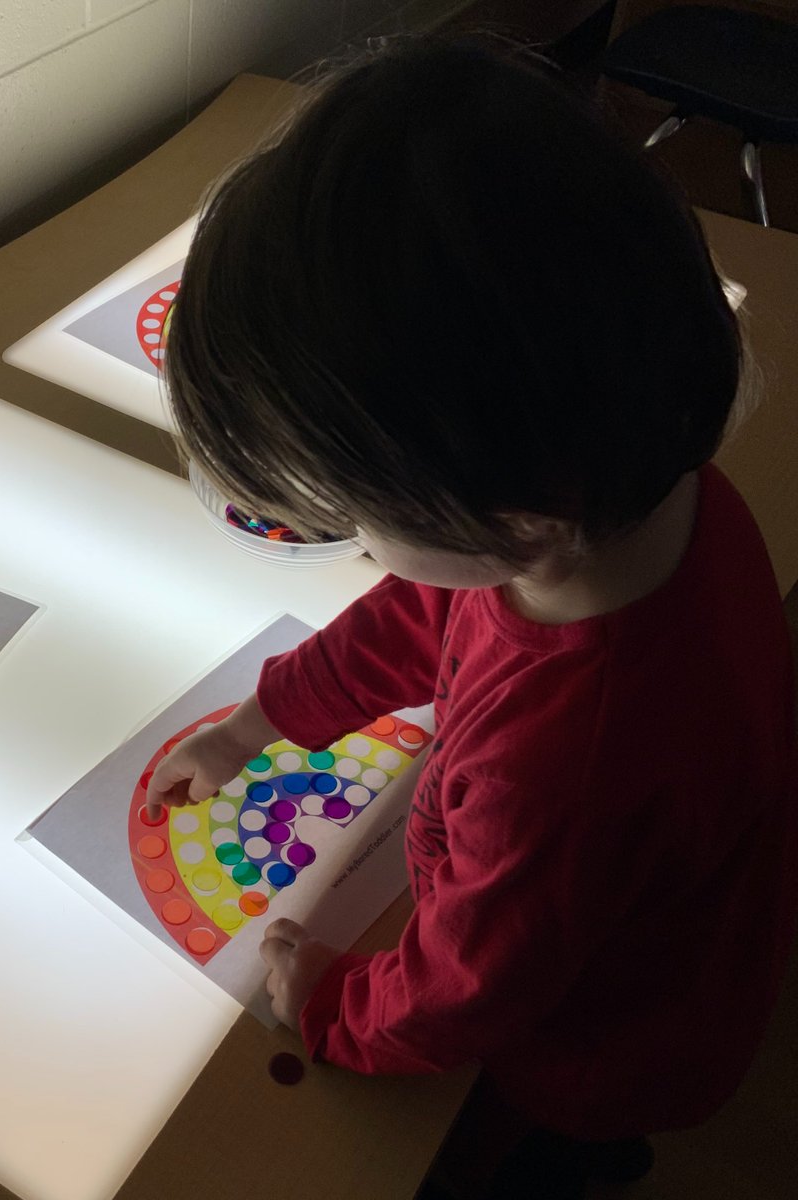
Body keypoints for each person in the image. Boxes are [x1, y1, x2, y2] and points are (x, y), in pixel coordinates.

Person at [144, 33, 798, 1200]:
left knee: (515, 1163)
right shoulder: (638, 498)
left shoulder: (565, 764)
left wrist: (329, 999)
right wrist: (264, 723)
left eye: (352, 515)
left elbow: (462, 994)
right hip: (648, 925)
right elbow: (425, 618)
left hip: (593, 1056)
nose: (354, 544)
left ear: (520, 521)